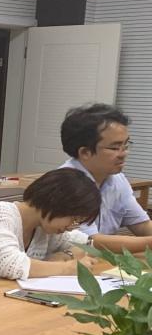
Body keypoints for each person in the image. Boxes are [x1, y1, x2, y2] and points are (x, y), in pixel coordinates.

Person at [60, 103, 152, 252]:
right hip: (68, 260)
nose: (124, 153)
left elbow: (142, 225)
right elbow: (90, 242)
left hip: (103, 260)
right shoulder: (67, 184)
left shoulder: (117, 179)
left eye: (126, 145)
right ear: (85, 152)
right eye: (115, 148)